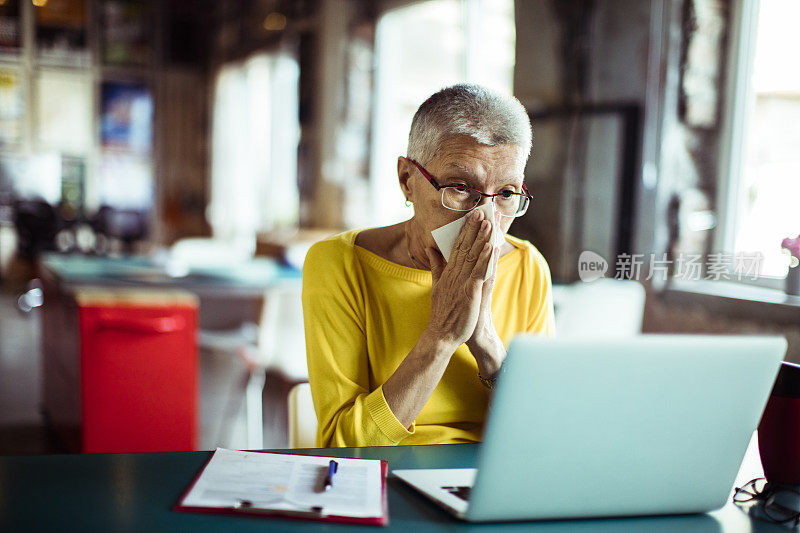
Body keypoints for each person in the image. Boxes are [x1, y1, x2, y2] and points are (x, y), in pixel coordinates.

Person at [302, 84, 555, 448]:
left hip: (487, 480)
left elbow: (541, 437)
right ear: (407, 180)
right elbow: (344, 446)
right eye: (459, 187)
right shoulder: (341, 263)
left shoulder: (528, 267)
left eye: (506, 194)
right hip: (383, 477)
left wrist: (484, 338)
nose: (484, 218)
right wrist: (443, 334)